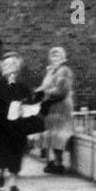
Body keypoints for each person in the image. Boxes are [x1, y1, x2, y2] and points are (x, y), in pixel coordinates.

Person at [0, 52, 35, 191]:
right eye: (6, 64)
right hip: (0, 126)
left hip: (17, 127)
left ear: (17, 67)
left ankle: (13, 183)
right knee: (0, 154)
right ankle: (0, 172)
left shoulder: (23, 86)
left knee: (16, 154)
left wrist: (24, 110)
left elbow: (29, 104)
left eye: (12, 64)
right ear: (2, 68)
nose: (9, 67)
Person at [38, 46, 75, 174]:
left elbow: (62, 91)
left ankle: (59, 163)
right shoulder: (51, 71)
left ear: (63, 58)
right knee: (53, 134)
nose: (55, 58)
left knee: (59, 134)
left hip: (61, 106)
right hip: (52, 106)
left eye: (58, 56)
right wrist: (39, 92)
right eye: (53, 56)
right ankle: (55, 162)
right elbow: (44, 86)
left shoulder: (64, 71)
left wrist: (46, 93)